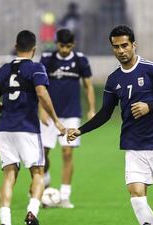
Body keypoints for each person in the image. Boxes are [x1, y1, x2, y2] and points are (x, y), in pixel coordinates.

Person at [67, 25, 153, 225]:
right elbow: (105, 113)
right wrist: (80, 130)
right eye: (116, 47)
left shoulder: (151, 69)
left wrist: (150, 107)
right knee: (138, 200)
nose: (121, 51)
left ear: (134, 45)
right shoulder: (114, 79)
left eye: (125, 45)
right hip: (133, 148)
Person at [0, 30, 66, 225]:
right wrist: (55, 119)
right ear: (34, 49)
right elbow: (42, 94)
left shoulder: (2, 70)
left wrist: (6, 109)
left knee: (9, 175)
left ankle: (5, 221)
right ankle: (32, 213)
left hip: (5, 129)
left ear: (16, 47)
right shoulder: (36, 68)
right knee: (38, 172)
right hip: (27, 128)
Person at [39, 28, 96, 208]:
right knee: (43, 154)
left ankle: (64, 196)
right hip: (50, 114)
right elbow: (39, 87)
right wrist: (41, 109)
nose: (64, 49)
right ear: (57, 44)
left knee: (67, 153)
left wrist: (92, 109)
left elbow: (88, 86)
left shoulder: (80, 60)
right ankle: (46, 183)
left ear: (73, 44)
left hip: (72, 114)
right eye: (62, 46)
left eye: (68, 46)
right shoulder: (47, 59)